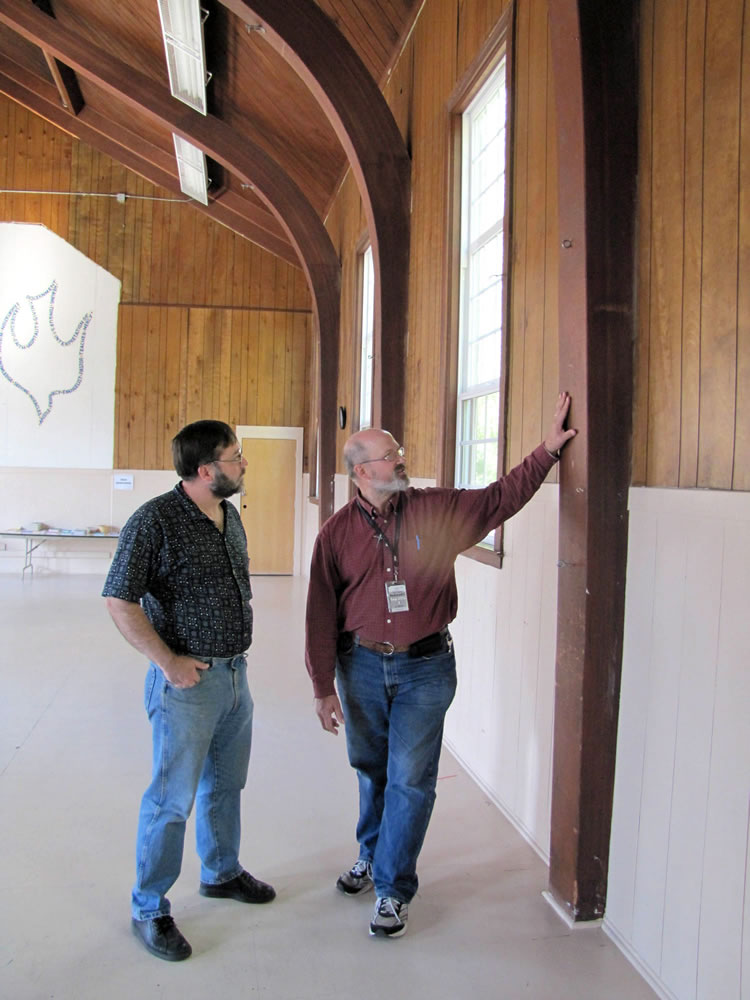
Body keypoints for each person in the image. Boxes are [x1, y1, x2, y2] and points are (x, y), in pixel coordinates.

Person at [305, 392, 576, 938]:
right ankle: (371, 853)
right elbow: (319, 614)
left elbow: (500, 498)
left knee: (411, 779)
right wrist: (322, 685)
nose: (401, 460)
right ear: (362, 471)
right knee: (372, 769)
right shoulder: (336, 534)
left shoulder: (436, 510)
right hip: (358, 668)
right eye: (390, 455)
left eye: (399, 452)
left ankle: (392, 888)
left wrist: (546, 452)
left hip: (426, 669)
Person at [103, 420, 275, 962]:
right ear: (206, 470)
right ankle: (149, 907)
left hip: (234, 678)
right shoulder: (154, 521)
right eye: (235, 457)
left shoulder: (229, 514)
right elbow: (119, 598)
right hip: (187, 686)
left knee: (225, 784)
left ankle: (222, 872)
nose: (243, 464)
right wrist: (167, 661)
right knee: (171, 798)